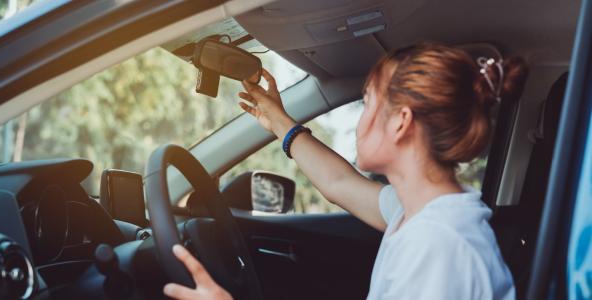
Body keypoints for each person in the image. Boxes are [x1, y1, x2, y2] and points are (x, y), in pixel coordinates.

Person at [163, 43, 528, 300]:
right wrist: (277, 121)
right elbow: (338, 182)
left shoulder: (440, 246)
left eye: (367, 100)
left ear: (401, 123)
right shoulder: (416, 213)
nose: (360, 119)